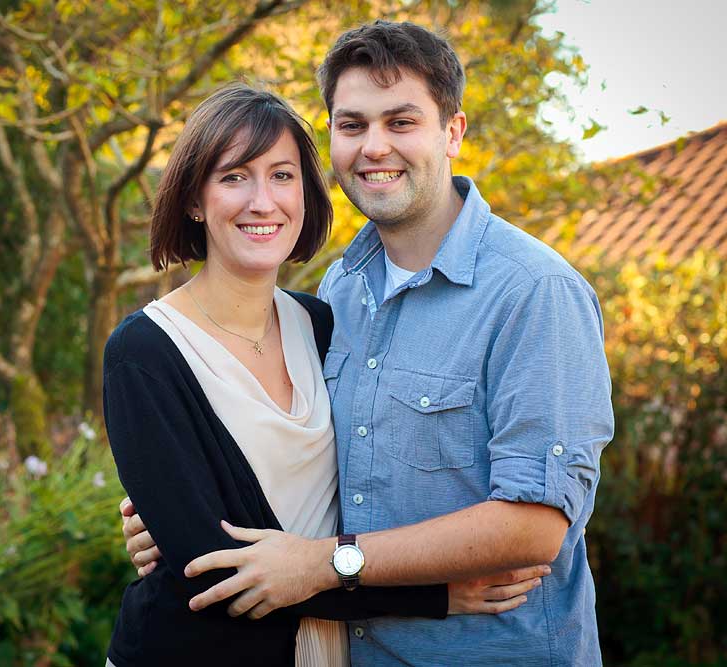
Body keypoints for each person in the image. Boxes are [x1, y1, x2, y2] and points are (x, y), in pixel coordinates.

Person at [124, 21, 615, 666]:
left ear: (453, 132)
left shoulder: (534, 292)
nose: (374, 147)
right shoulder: (341, 292)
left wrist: (327, 563)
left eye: (401, 122)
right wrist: (176, 510)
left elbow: (535, 526)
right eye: (352, 125)